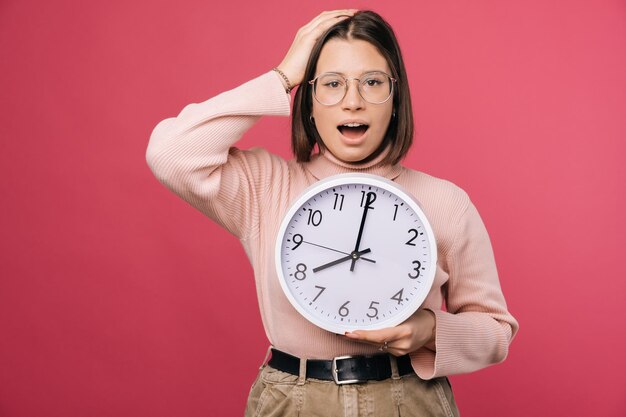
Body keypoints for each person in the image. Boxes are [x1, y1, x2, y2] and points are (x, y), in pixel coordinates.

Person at [146, 9, 518, 417]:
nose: (353, 102)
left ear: (395, 100)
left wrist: (431, 329)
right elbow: (170, 153)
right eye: (332, 84)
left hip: (406, 399)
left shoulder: (445, 201)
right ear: (307, 103)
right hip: (292, 400)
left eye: (372, 83)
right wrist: (283, 75)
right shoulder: (265, 187)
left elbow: (496, 331)